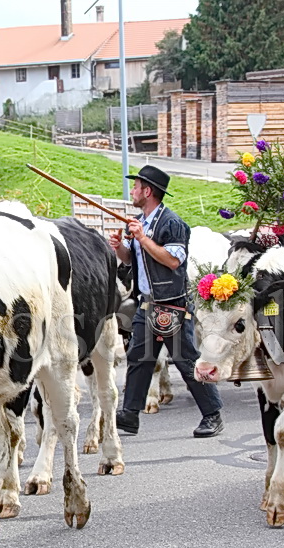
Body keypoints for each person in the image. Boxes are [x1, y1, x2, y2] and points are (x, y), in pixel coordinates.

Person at [110, 166, 224, 437]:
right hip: (146, 303)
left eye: (136, 187)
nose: (133, 191)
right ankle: (130, 415)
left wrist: (141, 238)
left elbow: (173, 260)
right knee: (138, 359)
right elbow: (135, 261)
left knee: (186, 361)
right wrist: (121, 248)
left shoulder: (172, 224)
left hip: (171, 304)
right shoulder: (141, 222)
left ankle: (213, 414)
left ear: (148, 191)